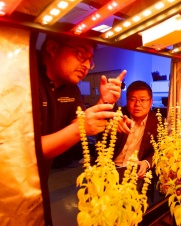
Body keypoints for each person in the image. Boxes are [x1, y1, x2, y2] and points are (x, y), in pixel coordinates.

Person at [37, 33, 126, 168]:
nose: (86, 65)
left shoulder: (71, 88)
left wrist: (104, 102)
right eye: (81, 54)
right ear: (53, 48)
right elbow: (27, 149)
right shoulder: (28, 79)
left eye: (90, 60)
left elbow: (81, 123)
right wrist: (80, 128)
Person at [112, 81, 159, 181]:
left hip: (136, 171)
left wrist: (146, 163)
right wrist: (111, 123)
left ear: (151, 102)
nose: (137, 104)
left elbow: (160, 150)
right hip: (111, 168)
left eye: (143, 100)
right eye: (132, 99)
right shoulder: (117, 116)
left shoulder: (158, 122)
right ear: (127, 100)